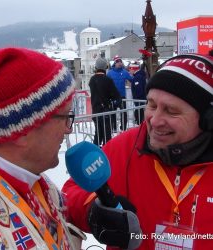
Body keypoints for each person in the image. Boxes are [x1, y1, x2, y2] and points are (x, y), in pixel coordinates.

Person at [62, 52, 213, 249]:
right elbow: (69, 195)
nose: (155, 120)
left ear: (207, 118)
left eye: (171, 111)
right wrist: (93, 210)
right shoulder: (124, 147)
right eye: (151, 105)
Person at [0, 47, 85, 249]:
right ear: (23, 130)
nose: (68, 130)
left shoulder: (32, 178)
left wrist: (90, 214)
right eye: (65, 117)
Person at [89, 57, 121, 146]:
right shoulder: (108, 80)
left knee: (98, 135)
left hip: (95, 111)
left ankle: (95, 154)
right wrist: (115, 103)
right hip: (106, 112)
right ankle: (108, 155)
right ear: (105, 67)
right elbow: (116, 96)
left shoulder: (92, 80)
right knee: (107, 136)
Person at [107, 56, 133, 131]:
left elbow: (132, 80)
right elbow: (106, 84)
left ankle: (123, 128)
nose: (119, 63)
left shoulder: (124, 72)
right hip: (112, 97)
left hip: (122, 96)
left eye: (120, 62)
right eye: (118, 62)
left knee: (123, 113)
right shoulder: (110, 73)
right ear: (115, 63)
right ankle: (114, 127)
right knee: (113, 113)